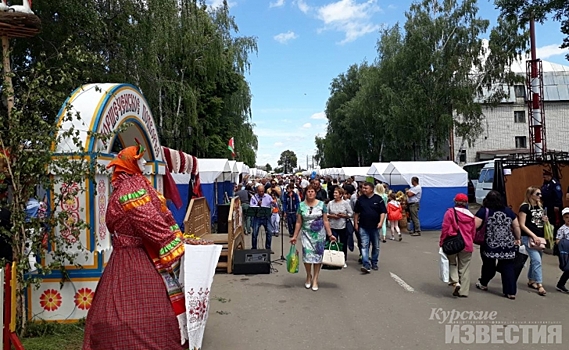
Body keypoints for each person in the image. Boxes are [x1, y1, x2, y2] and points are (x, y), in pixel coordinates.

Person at [84, 143, 186, 350]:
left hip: (122, 257)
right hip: (137, 257)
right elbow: (150, 221)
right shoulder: (132, 189)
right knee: (144, 311)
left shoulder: (123, 187)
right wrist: (174, 242)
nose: (142, 163)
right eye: (138, 159)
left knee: (113, 309)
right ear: (129, 163)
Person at [474, 191, 521, 300]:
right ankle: (510, 292)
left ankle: (484, 283)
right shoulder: (508, 211)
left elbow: (475, 225)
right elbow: (516, 226)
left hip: (490, 243)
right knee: (508, 266)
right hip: (507, 244)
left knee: (488, 265)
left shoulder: (484, 211)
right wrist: (517, 238)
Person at [290, 184, 336, 291]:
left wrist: (330, 234)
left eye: (312, 191)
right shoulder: (301, 206)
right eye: (308, 191)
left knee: (317, 258)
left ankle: (315, 278)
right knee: (307, 256)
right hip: (306, 234)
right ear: (306, 193)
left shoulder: (321, 205)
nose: (310, 193)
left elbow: (325, 220)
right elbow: (298, 222)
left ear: (315, 193)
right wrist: (294, 236)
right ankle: (308, 275)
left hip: (319, 235)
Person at [440, 193, 475, 298]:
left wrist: (442, 242)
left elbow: (445, 228)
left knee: (452, 263)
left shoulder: (450, 213)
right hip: (467, 244)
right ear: (466, 203)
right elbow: (473, 232)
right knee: (465, 268)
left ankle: (455, 282)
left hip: (452, 242)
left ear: (455, 201)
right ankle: (463, 291)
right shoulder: (471, 216)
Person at [518, 186, 548, 296]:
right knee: (537, 260)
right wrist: (533, 235)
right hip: (529, 237)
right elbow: (522, 224)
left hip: (539, 237)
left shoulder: (540, 207)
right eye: (537, 194)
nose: (540, 196)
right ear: (530, 195)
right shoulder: (525, 207)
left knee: (537, 259)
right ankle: (539, 284)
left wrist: (545, 220)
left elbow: (541, 221)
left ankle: (531, 279)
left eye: (540, 194)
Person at [353, 182, 387, 273]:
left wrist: (381, 222)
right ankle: (366, 264)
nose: (364, 190)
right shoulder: (360, 199)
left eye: (366, 188)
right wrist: (355, 223)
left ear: (371, 189)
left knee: (376, 246)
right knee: (364, 245)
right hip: (363, 226)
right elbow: (356, 213)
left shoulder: (378, 199)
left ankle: (374, 262)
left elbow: (383, 212)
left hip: (375, 226)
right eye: (363, 188)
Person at [327, 187, 353, 268]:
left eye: (336, 193)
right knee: (333, 243)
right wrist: (332, 216)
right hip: (332, 226)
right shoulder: (330, 203)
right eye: (334, 193)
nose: (334, 194)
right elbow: (326, 213)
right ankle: (333, 260)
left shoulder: (345, 203)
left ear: (341, 194)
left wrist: (343, 215)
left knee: (343, 243)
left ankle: (343, 260)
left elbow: (351, 213)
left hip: (343, 226)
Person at [250, 185, 273, 250]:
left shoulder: (268, 197)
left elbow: (273, 205)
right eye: (260, 191)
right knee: (254, 233)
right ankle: (254, 248)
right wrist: (257, 204)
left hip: (266, 217)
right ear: (257, 191)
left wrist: (274, 203)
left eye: (262, 191)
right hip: (257, 217)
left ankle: (268, 248)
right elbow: (251, 206)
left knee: (269, 232)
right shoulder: (254, 197)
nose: (261, 193)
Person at [555, 207, 569, 293]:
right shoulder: (562, 229)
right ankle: (561, 284)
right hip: (566, 251)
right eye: (567, 217)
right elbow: (558, 240)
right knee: (567, 268)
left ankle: (561, 284)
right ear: (563, 218)